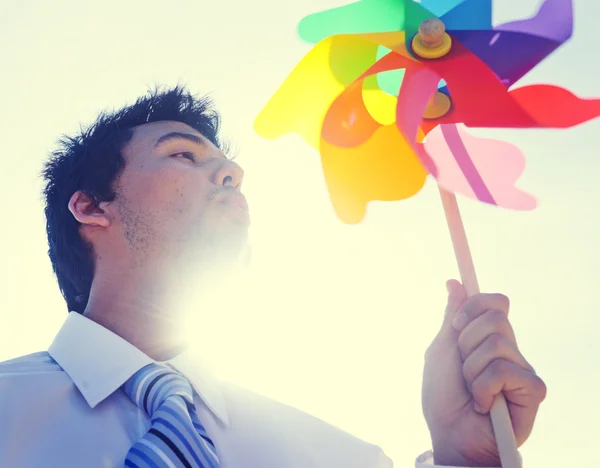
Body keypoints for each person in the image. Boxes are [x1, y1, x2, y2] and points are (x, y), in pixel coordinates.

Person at [0, 86, 546, 467]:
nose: (232, 173)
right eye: (182, 154)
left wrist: (466, 458)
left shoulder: (344, 458)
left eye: (228, 166)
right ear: (92, 207)